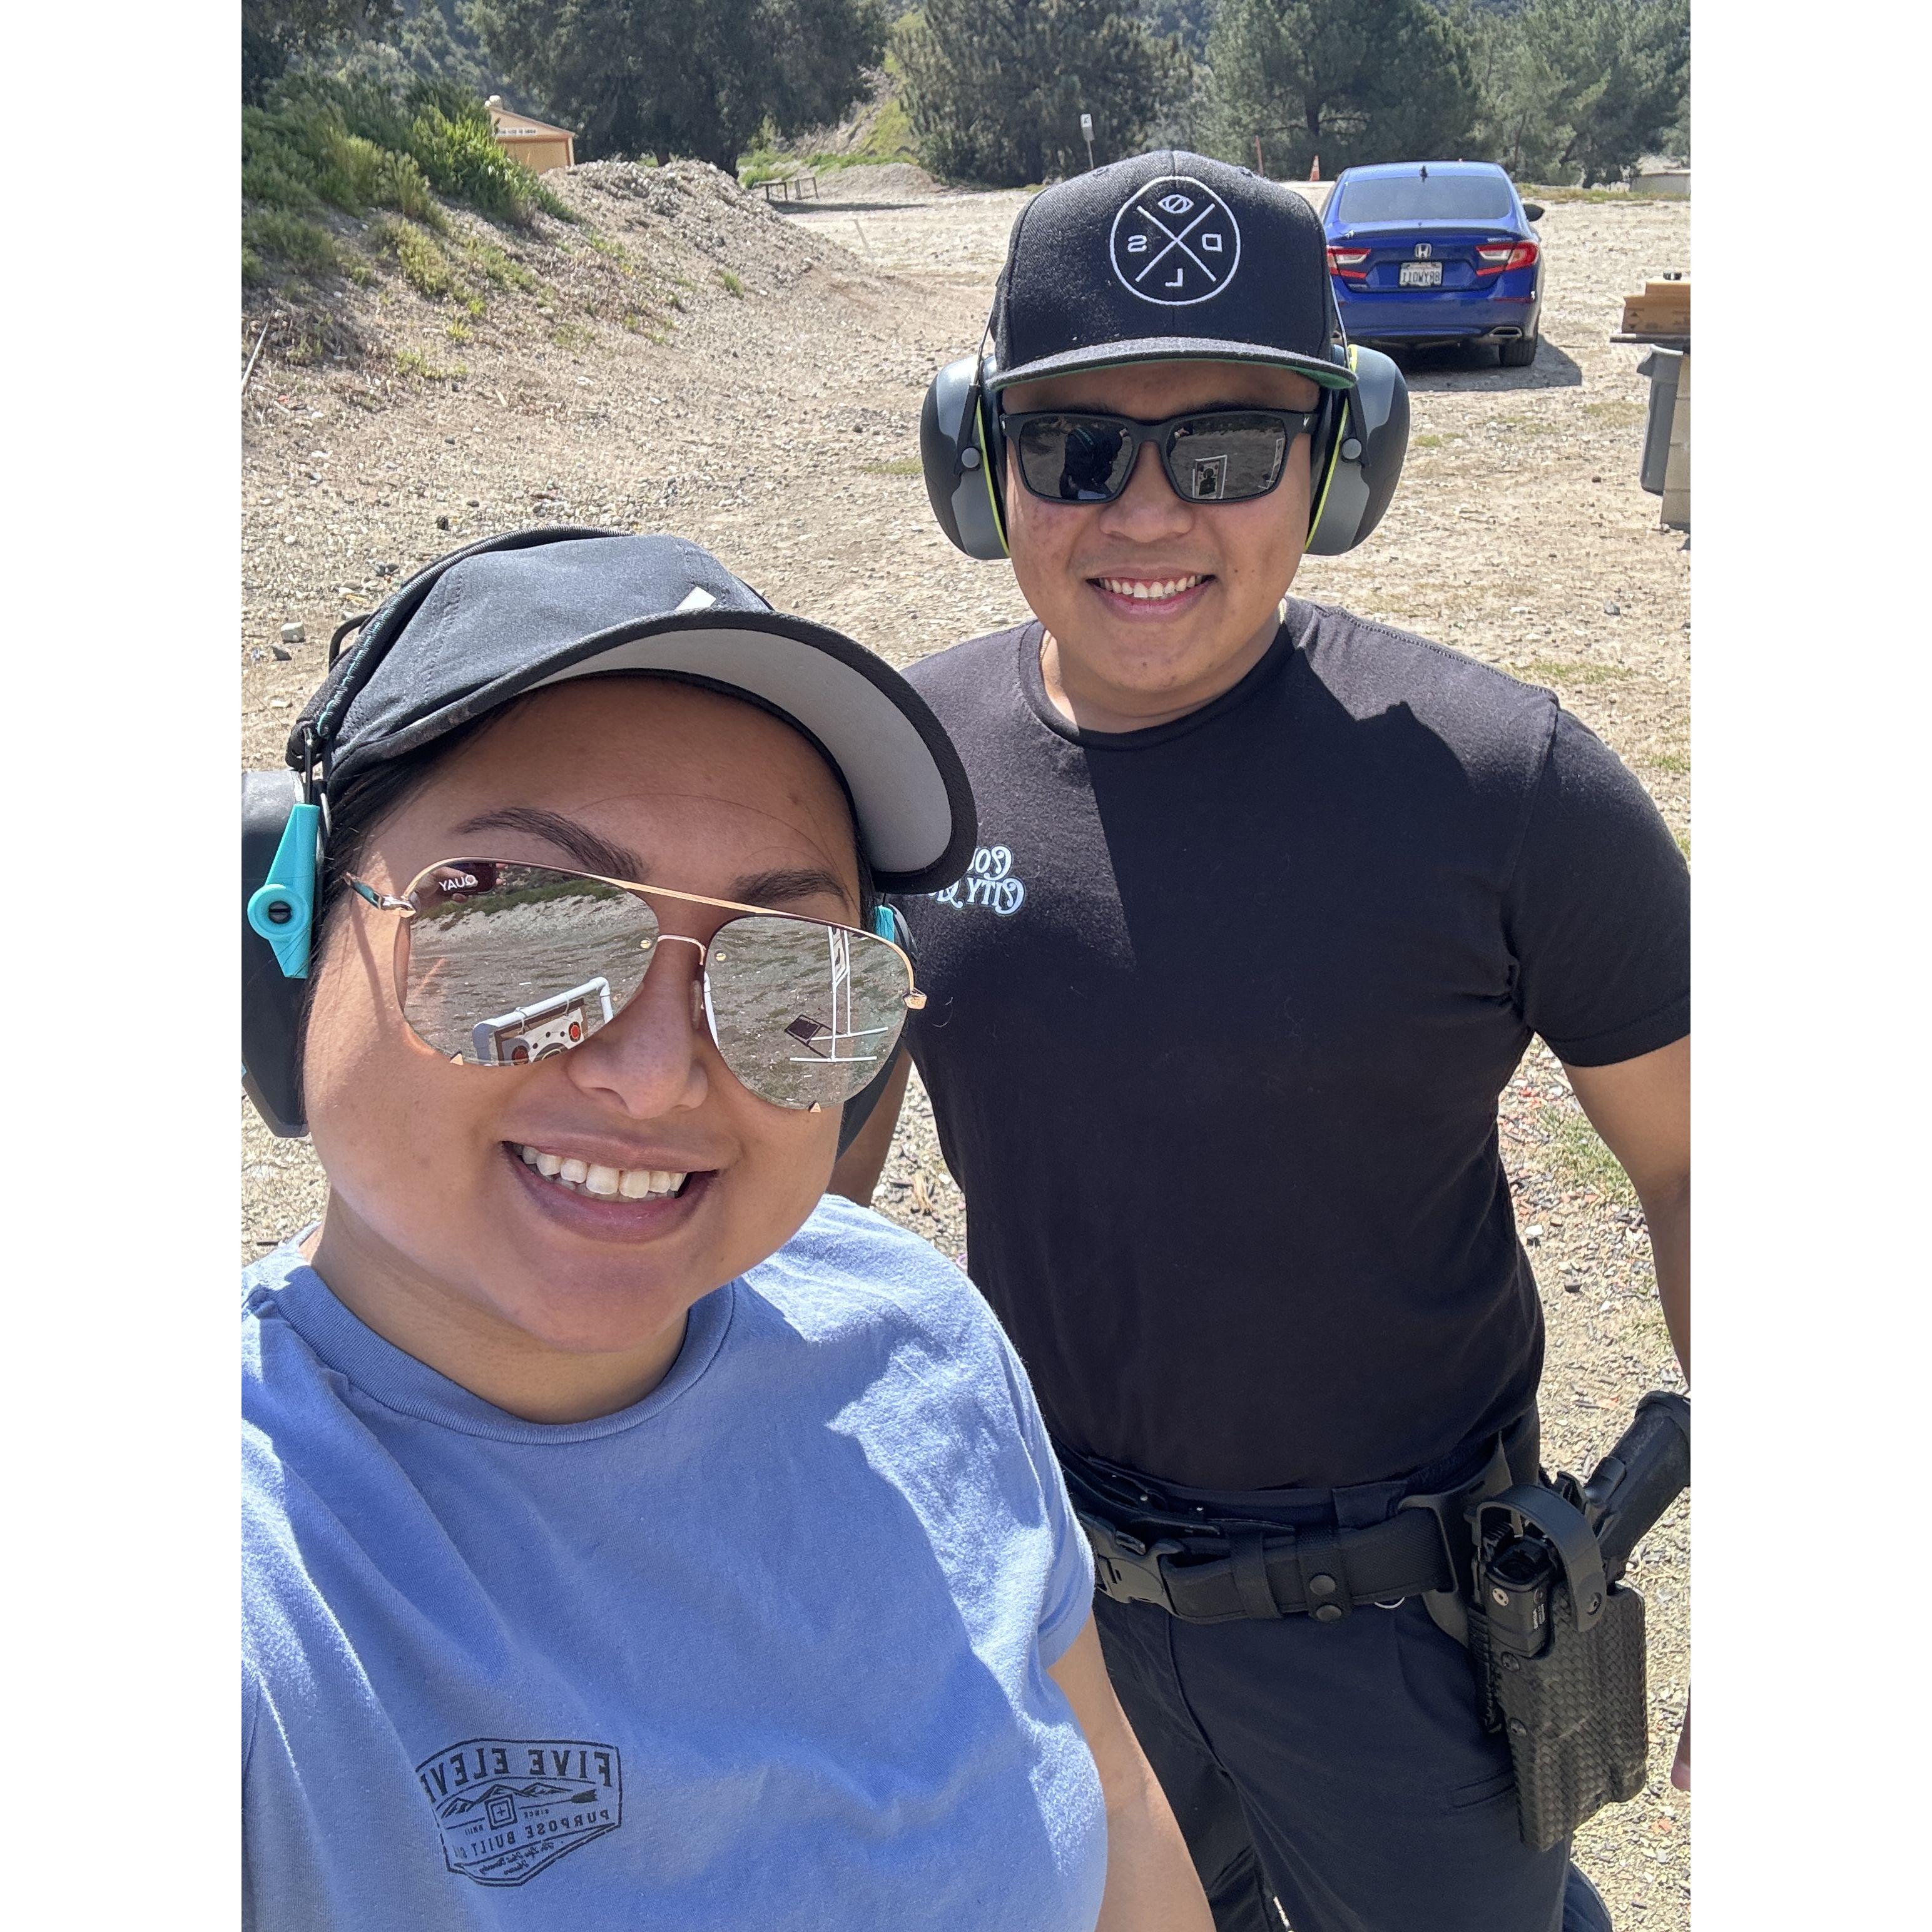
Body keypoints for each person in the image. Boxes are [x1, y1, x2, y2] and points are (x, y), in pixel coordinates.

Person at [834, 153, 1690, 1932]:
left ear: (1343, 462)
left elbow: (1705, 1163)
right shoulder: (895, 773)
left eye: (1225, 451)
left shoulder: (1506, 790)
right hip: (1054, 1614)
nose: (1147, 515)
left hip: (1415, 1649)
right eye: (1078, 449)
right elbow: (800, 1195)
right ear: (977, 464)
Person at [241, 530, 1213, 1931]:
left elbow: (1109, 1791)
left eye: (787, 973)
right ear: (287, 934)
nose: (652, 1075)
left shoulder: (911, 1329)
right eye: (518, 926)